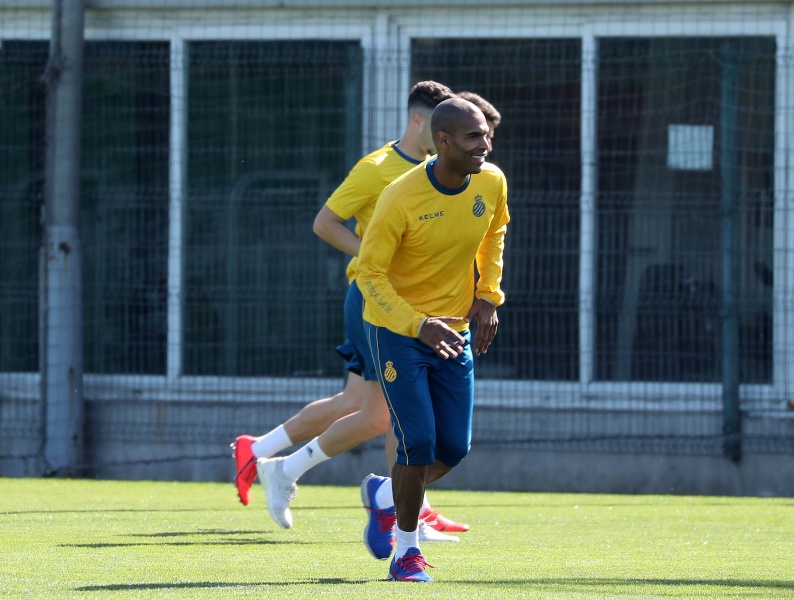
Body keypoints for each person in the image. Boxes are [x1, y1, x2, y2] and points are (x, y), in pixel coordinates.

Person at [231, 81, 466, 538]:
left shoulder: (436, 171)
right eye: (441, 125)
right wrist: (374, 257)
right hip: (374, 300)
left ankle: (268, 458)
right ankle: (408, 513)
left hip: (408, 303)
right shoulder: (376, 169)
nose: (448, 135)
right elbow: (325, 222)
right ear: (418, 120)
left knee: (368, 409)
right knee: (392, 411)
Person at [356, 97, 510, 582]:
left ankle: (385, 494)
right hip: (397, 331)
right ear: (443, 142)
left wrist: (487, 295)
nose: (484, 145)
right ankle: (406, 554)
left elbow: (495, 231)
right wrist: (417, 323)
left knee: (454, 448)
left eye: (486, 135)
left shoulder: (492, 181)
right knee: (417, 442)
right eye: (473, 137)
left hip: (455, 330)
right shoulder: (400, 197)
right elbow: (369, 273)